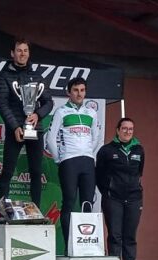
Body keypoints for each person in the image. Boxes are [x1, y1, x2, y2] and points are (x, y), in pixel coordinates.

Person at [45, 77, 103, 251]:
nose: (79, 94)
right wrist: (59, 159)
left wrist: (88, 152)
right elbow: (50, 138)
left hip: (87, 161)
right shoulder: (61, 112)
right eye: (76, 90)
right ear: (68, 92)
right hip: (68, 161)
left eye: (82, 90)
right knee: (69, 202)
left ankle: (85, 246)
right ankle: (69, 246)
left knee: (87, 203)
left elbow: (96, 138)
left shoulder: (91, 113)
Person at [0, 38, 53, 207]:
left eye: (25, 50)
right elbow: (2, 104)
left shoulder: (38, 77)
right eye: (19, 50)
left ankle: (36, 212)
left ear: (29, 53)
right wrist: (14, 126)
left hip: (35, 128)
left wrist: (37, 115)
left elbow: (48, 102)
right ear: (12, 53)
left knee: (36, 172)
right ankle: (3, 211)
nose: (22, 54)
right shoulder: (4, 76)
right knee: (7, 171)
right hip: (16, 130)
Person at [96, 118, 145, 260]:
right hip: (113, 198)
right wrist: (108, 191)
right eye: (124, 128)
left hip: (134, 198)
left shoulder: (139, 150)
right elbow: (99, 175)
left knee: (130, 237)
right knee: (115, 236)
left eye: (130, 129)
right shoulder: (106, 150)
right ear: (117, 130)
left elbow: (140, 172)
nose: (127, 132)